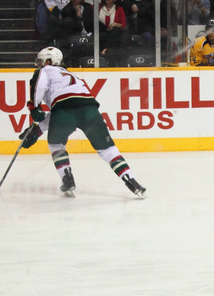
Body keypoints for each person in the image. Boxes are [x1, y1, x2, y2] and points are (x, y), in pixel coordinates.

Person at [18, 46, 146, 199]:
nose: (39, 64)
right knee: (107, 149)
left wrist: (34, 108)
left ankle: (67, 179)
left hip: (64, 113)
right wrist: (37, 129)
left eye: (41, 61)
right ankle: (132, 181)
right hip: (90, 111)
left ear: (49, 61)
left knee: (56, 145)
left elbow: (53, 101)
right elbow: (66, 105)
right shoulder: (71, 76)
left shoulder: (45, 71)